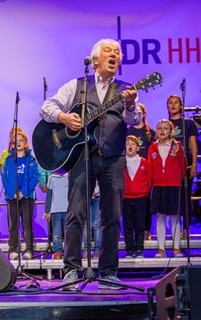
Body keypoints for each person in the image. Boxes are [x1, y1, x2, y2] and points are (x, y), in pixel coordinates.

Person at [39, 38, 141, 290]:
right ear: (95, 60)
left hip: (113, 158)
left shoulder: (126, 89)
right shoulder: (78, 86)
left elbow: (134, 119)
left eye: (118, 52)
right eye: (109, 51)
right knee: (76, 213)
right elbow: (46, 107)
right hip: (83, 156)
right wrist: (63, 117)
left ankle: (108, 272)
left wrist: (129, 105)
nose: (114, 54)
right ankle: (72, 269)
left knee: (112, 217)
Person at [148, 120, 186, 258]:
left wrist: (175, 179)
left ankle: (176, 248)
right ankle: (161, 249)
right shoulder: (152, 147)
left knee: (175, 217)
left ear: (171, 131)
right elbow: (150, 168)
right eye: (159, 128)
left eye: (165, 128)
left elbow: (182, 167)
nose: (162, 131)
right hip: (158, 186)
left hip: (174, 186)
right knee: (160, 217)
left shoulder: (177, 147)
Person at [1, 130, 39, 260]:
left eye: (21, 140)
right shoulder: (9, 160)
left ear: (26, 143)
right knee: (13, 224)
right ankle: (13, 249)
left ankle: (29, 249)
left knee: (27, 224)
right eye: (15, 141)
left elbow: (34, 177)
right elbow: (5, 178)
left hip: (27, 196)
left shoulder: (31, 159)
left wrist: (23, 192)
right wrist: (13, 193)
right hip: (12, 197)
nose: (18, 143)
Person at [167, 95, 198, 239]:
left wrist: (194, 165)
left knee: (186, 197)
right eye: (170, 103)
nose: (173, 105)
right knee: (173, 198)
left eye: (175, 103)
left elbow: (193, 145)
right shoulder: (165, 124)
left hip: (185, 164)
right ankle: (175, 229)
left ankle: (186, 229)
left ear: (181, 106)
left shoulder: (188, 123)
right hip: (170, 166)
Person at [127, 103, 155, 241]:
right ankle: (132, 232)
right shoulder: (128, 131)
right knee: (130, 205)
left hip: (145, 171)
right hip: (131, 172)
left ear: (144, 114)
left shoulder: (151, 133)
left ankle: (146, 231)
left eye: (140, 112)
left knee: (147, 204)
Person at [123, 136, 151, 259]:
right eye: (127, 143)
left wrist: (144, 192)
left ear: (137, 147)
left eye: (133, 144)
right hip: (126, 198)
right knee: (128, 225)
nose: (130, 145)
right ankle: (129, 250)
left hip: (141, 197)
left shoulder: (144, 162)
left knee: (140, 225)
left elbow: (149, 180)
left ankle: (139, 249)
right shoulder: (121, 163)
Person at [44, 172, 68, 259]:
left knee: (68, 232)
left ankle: (68, 250)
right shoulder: (51, 178)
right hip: (55, 210)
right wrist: (47, 210)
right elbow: (49, 195)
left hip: (68, 209)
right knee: (56, 233)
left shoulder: (69, 176)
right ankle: (57, 251)